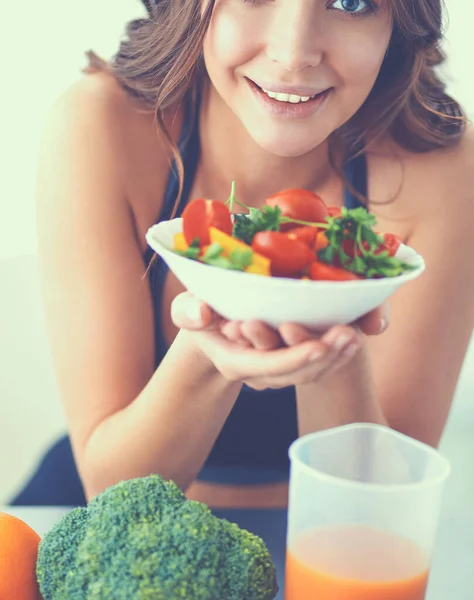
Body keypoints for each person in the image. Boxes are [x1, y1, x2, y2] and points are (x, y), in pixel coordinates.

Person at [11, 0, 474, 509]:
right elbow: (112, 487)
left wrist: (332, 345)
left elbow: (382, 504)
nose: (293, 53)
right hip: (98, 525)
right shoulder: (100, 124)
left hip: (315, 538)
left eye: (351, 1)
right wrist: (204, 350)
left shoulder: (446, 166)